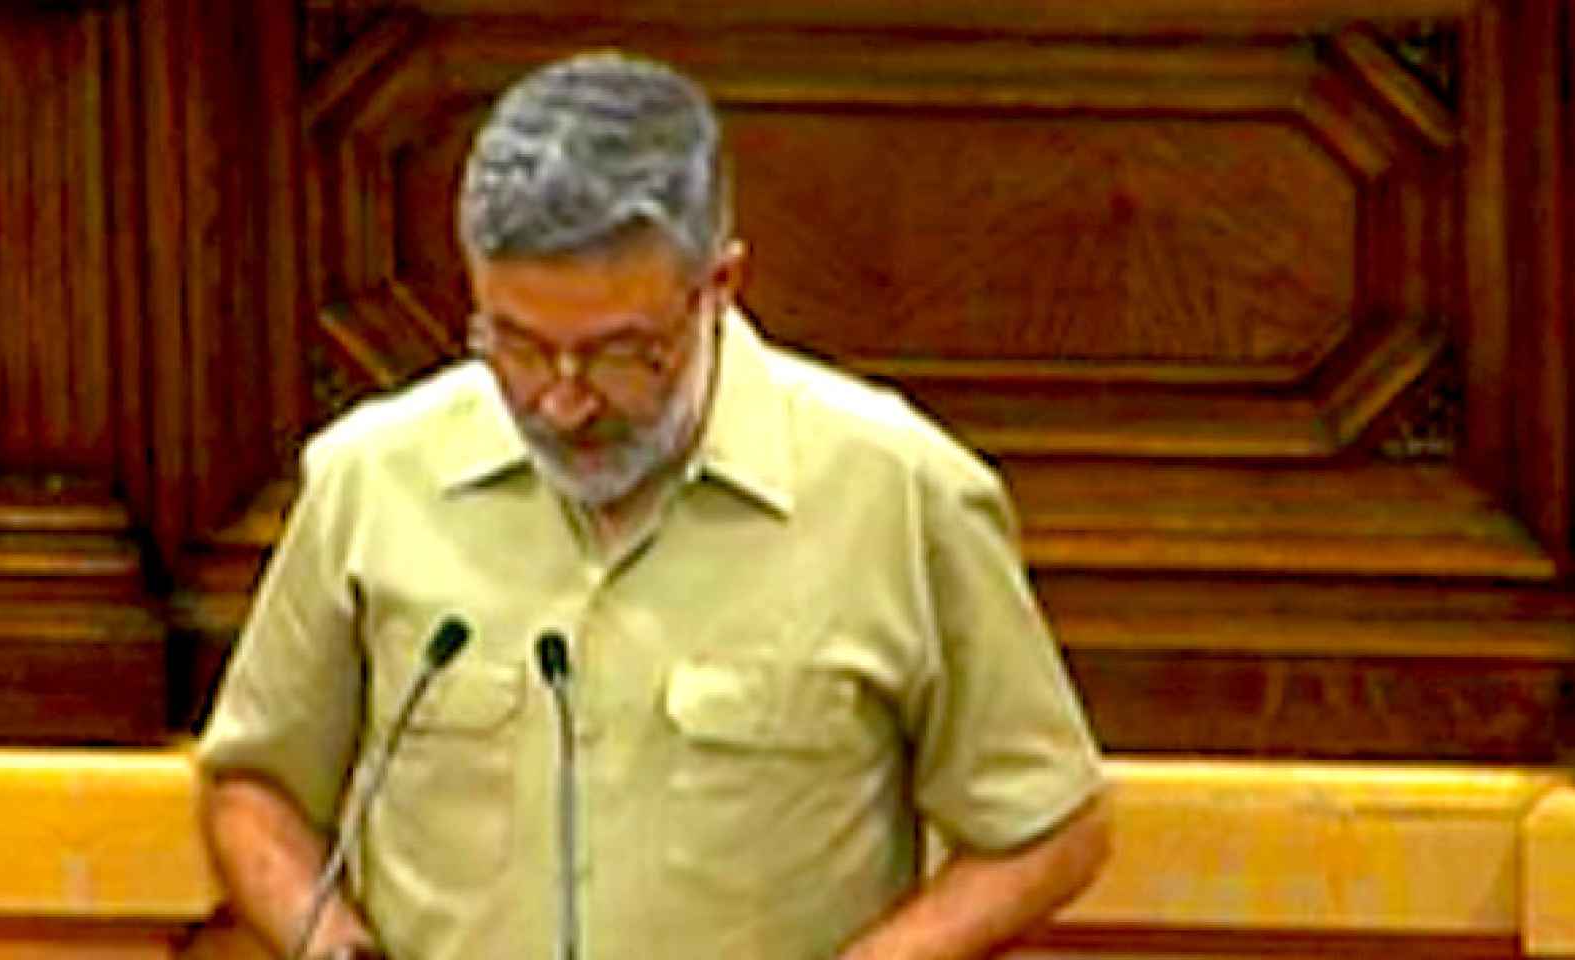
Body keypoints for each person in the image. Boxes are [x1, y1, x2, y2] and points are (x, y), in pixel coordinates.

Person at [197, 50, 1109, 960]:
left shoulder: (901, 492)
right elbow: (255, 787)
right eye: (514, 344)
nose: (562, 400)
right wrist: (326, 945)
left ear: (719, 286)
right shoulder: (371, 478)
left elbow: (1048, 828)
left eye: (619, 353)